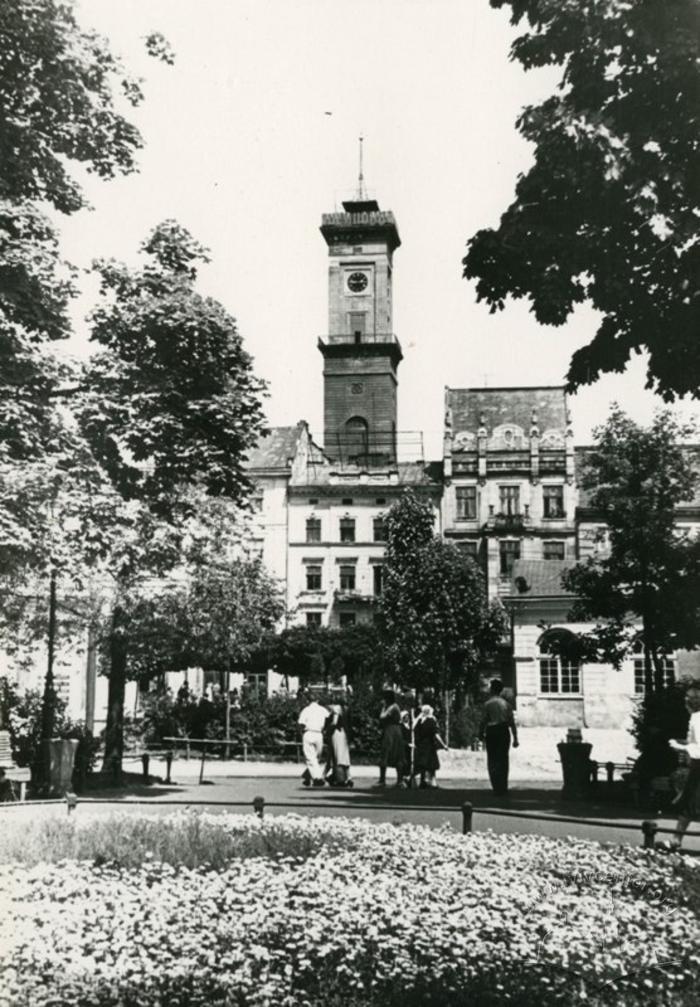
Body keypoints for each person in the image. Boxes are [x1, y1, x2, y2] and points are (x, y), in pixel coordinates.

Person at [668, 686, 700, 849]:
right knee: (688, 803)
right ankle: (676, 840)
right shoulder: (695, 717)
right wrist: (682, 743)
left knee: (689, 803)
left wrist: (679, 747)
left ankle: (676, 840)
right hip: (696, 767)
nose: (684, 701)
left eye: (687, 698)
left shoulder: (697, 718)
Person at [479, 679, 519, 796]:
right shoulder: (506, 705)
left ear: (492, 689)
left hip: (492, 732)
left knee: (492, 759)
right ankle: (503, 786)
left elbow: (483, 721)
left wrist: (480, 734)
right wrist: (515, 738)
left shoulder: (488, 704)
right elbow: (512, 723)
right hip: (503, 731)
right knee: (503, 759)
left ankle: (496, 785)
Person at [298, 693, 329, 787]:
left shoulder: (306, 710)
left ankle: (317, 778)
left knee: (310, 757)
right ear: (318, 700)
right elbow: (328, 719)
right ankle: (309, 777)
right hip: (319, 733)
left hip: (308, 732)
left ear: (308, 700)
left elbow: (301, 723)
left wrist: (300, 733)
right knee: (316, 757)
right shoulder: (323, 710)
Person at [413, 705, 448, 788]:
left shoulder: (419, 721)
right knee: (432, 765)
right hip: (429, 745)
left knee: (423, 765)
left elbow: (415, 732)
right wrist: (444, 745)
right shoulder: (431, 721)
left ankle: (423, 782)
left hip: (421, 746)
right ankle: (432, 782)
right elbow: (436, 734)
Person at [378, 689, 406, 787]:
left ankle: (399, 780)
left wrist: (383, 707)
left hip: (392, 731)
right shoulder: (391, 707)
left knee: (394, 753)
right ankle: (383, 779)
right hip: (391, 730)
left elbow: (382, 717)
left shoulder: (393, 707)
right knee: (386, 753)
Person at [324, 702, 353, 787]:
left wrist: (327, 730)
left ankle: (340, 778)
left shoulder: (336, 708)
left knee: (338, 755)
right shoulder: (345, 709)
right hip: (344, 733)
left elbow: (334, 722)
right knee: (344, 756)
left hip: (337, 733)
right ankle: (348, 777)